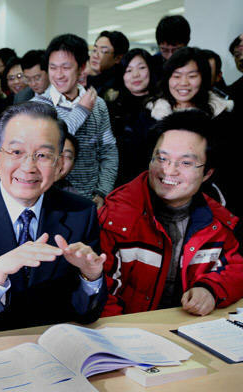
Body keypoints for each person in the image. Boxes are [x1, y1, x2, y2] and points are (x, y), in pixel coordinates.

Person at [0, 102, 107, 340]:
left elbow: (87, 315)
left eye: (43, 155)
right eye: (16, 152)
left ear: (58, 164)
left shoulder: (80, 213)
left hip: (55, 351)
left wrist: (90, 277)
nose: (28, 167)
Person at [100, 110, 243, 317]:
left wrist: (211, 289)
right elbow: (99, 289)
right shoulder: (115, 216)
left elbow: (236, 267)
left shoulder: (218, 222)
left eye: (185, 163)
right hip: (126, 333)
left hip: (187, 330)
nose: (169, 170)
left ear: (207, 174)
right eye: (162, 158)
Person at [146, 47, 238, 215]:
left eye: (192, 76)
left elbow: (228, 170)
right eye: (177, 76)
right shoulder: (151, 114)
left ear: (203, 78)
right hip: (154, 202)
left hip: (207, 205)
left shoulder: (221, 118)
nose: (183, 83)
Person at [33, 34, 118, 208]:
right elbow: (51, 143)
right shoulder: (38, 106)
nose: (59, 75)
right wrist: (81, 111)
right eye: (53, 68)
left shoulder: (98, 104)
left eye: (66, 67)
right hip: (49, 201)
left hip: (92, 202)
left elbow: (109, 151)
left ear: (81, 68)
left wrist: (102, 192)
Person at [107, 48, 157, 186]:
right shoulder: (112, 108)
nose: (135, 75)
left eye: (141, 68)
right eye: (128, 70)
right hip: (120, 182)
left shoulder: (162, 106)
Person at [87, 30, 129, 101]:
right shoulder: (88, 79)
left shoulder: (123, 85)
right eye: (94, 50)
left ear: (117, 58)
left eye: (103, 51)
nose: (95, 55)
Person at [55, 130, 78, 194]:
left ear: (73, 165)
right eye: (54, 152)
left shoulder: (71, 194)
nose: (60, 160)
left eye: (67, 156)